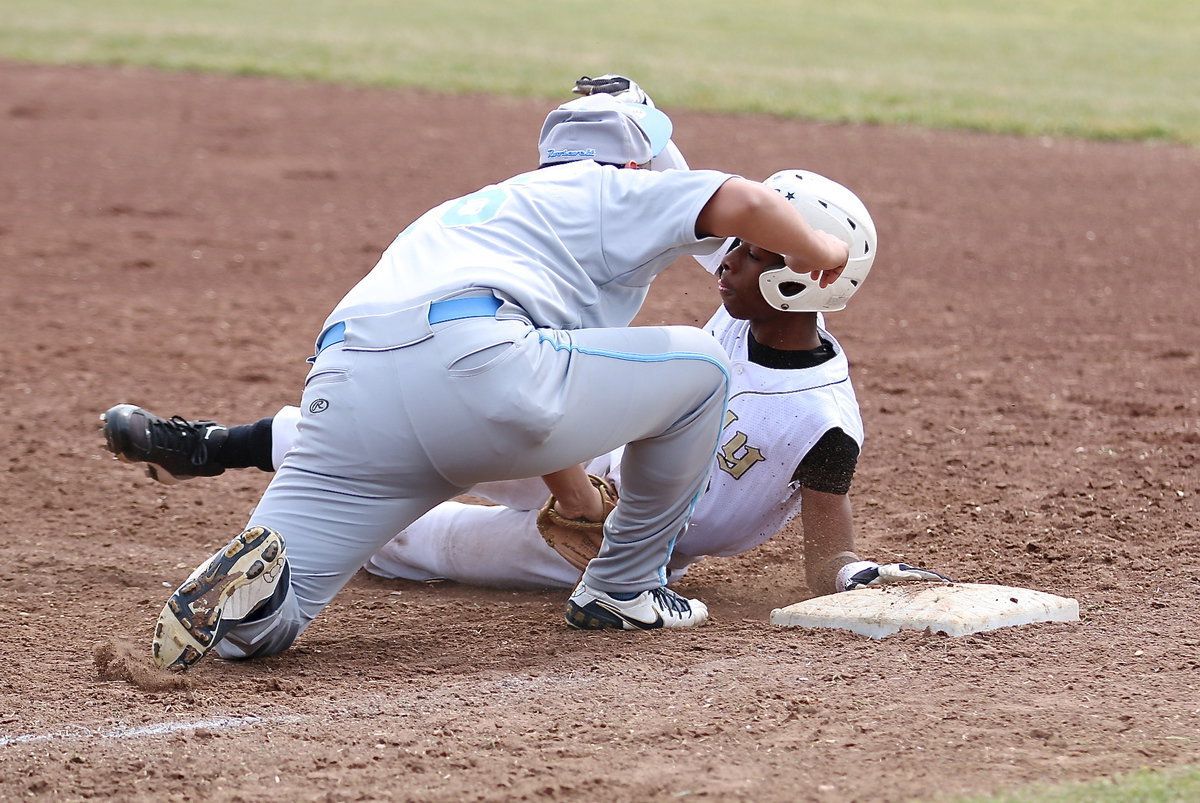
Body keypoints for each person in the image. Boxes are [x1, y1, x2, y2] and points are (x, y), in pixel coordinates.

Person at [132, 91, 851, 672]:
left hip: (346, 384)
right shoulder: (609, 188)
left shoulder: (473, 211)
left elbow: (537, 376)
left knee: (264, 633)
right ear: (634, 162)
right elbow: (746, 203)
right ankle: (624, 588)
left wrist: (575, 492)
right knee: (703, 367)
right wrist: (819, 246)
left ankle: (250, 601)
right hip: (475, 365)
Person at [104, 167, 948, 609]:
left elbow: (826, 556)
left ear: (808, 281)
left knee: (414, 545)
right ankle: (212, 446)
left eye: (756, 256)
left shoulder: (822, 419)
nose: (727, 262)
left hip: (617, 543)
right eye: (737, 248)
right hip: (588, 456)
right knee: (428, 441)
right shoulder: (734, 317)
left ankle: (262, 569)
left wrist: (863, 575)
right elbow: (696, 203)